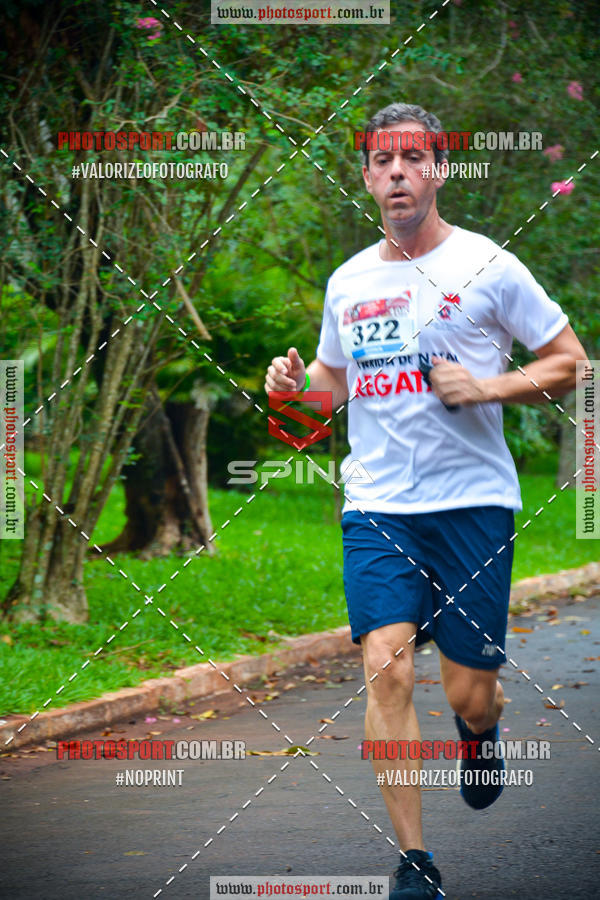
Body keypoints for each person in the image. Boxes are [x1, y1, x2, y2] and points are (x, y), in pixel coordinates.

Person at [264, 102, 586, 899]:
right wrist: (291, 390)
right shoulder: (349, 281)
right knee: (387, 668)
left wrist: (486, 386)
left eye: (413, 160)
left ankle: (482, 732)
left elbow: (572, 361)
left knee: (469, 691)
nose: (397, 173)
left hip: (473, 503)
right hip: (377, 506)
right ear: (368, 176)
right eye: (382, 161)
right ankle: (414, 861)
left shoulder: (489, 266)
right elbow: (330, 389)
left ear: (438, 170)